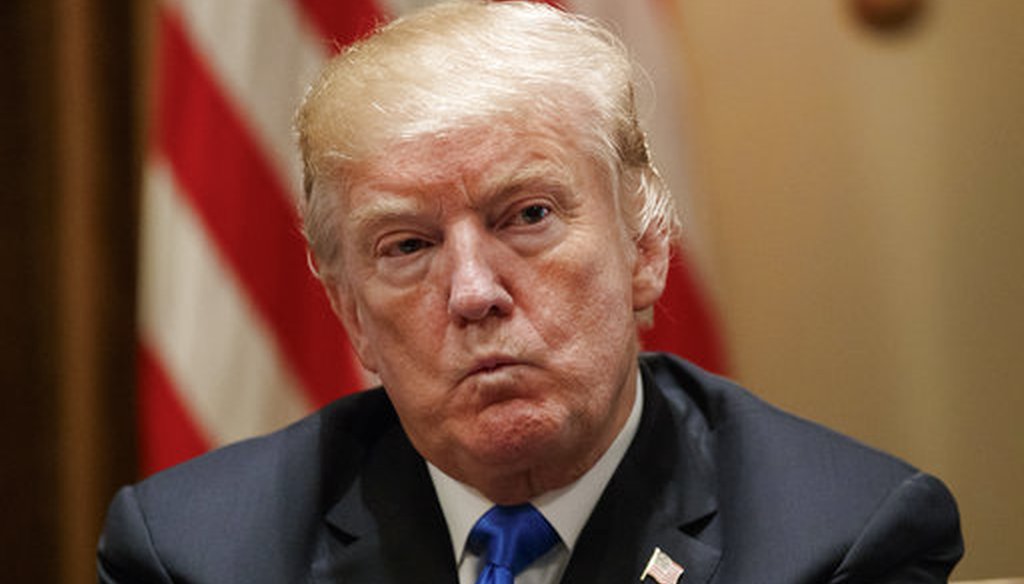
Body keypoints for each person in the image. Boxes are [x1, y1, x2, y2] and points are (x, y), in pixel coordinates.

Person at [97, 1, 963, 583]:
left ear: (646, 251)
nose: (474, 293)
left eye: (528, 216)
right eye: (408, 244)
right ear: (352, 313)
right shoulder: (196, 554)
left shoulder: (843, 543)